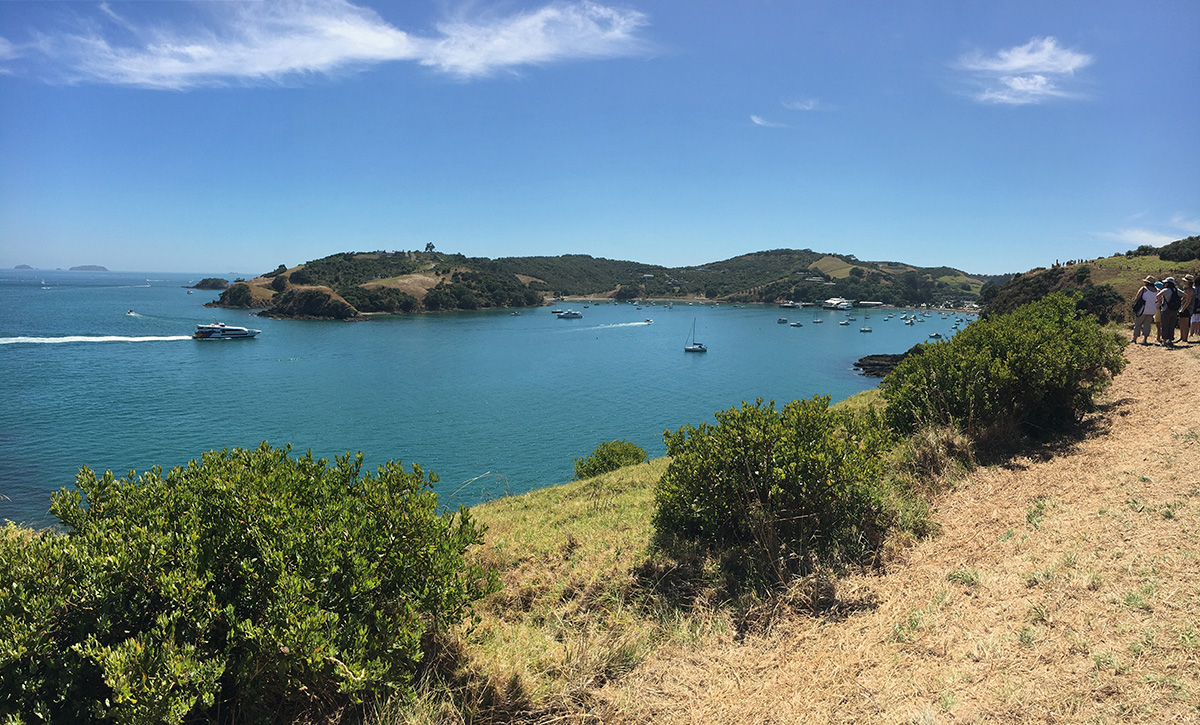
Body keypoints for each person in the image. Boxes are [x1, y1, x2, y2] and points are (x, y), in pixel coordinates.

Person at [1132, 276, 1158, 345]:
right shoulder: (1157, 290)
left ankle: (1135, 339)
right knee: (1147, 324)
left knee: (1138, 324)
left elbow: (1137, 297)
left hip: (1143, 309)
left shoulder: (1144, 289)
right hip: (1152, 310)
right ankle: (1145, 339)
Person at [1157, 277, 1181, 346]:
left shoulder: (1166, 290)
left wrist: (1160, 303)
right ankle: (1170, 340)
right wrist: (1180, 302)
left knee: (1165, 325)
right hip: (1174, 310)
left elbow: (1158, 296)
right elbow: (1186, 296)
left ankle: (1164, 341)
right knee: (1172, 325)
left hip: (1166, 309)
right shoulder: (1177, 290)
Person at [1179, 275, 1196, 344]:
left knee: (1185, 324)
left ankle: (1185, 338)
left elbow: (1188, 300)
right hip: (1184, 307)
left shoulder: (1190, 290)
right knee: (1181, 323)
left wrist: (1183, 309)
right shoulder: (1186, 289)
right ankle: (1182, 337)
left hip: (1187, 308)